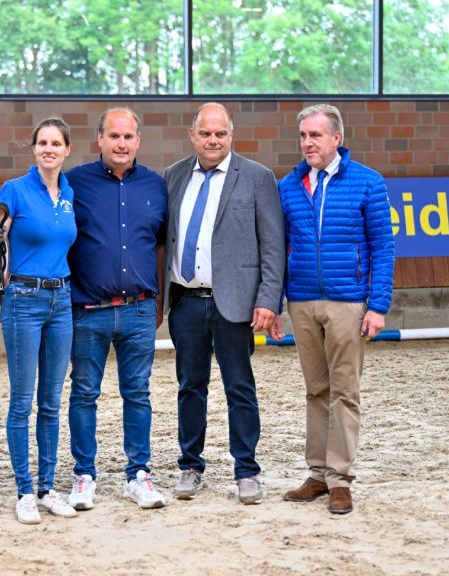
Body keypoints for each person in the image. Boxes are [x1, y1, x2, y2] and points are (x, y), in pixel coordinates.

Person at [162, 103, 285, 505]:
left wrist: (268, 299)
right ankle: (190, 466)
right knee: (190, 387)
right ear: (193, 136)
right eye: (206, 133)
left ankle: (246, 471)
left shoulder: (257, 177)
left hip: (236, 304)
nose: (213, 140)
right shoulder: (174, 176)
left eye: (221, 133)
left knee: (240, 388)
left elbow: (273, 245)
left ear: (231, 135)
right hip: (186, 303)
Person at [277, 104, 395, 515]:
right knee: (316, 390)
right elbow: (278, 249)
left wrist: (377, 305)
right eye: (303, 136)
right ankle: (317, 474)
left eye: (316, 135)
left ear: (336, 139)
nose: (308, 143)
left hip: (348, 302)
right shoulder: (289, 186)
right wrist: (276, 303)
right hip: (303, 301)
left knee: (345, 391)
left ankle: (340, 478)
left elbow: (383, 247)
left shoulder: (367, 183)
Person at [64, 107, 169, 510]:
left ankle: (138, 474)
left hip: (140, 310)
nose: (121, 144)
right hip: (88, 310)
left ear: (138, 141)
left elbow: (161, 244)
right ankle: (84, 475)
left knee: (138, 393)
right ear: (100, 140)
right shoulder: (75, 184)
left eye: (128, 137)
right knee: (84, 393)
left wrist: (159, 300)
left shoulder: (156, 186)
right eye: (113, 136)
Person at [0, 117, 78, 525]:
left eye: (55, 143)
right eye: (42, 143)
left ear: (66, 150)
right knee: (22, 401)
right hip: (24, 298)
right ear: (34, 149)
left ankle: (46, 486)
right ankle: (24, 489)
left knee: (51, 401)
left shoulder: (69, 193)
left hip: (62, 298)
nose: (48, 149)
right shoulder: (16, 190)